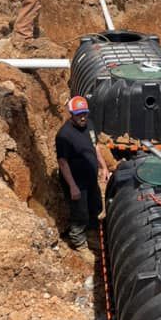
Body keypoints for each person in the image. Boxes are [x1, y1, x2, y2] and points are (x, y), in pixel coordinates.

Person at [56, 96, 109, 254]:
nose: (83, 117)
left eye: (85, 113)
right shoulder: (64, 135)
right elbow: (63, 162)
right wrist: (72, 187)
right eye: (79, 114)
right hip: (76, 182)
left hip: (91, 178)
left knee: (96, 207)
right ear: (71, 114)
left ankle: (92, 235)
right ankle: (79, 244)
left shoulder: (89, 125)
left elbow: (96, 147)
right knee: (80, 214)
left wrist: (104, 167)